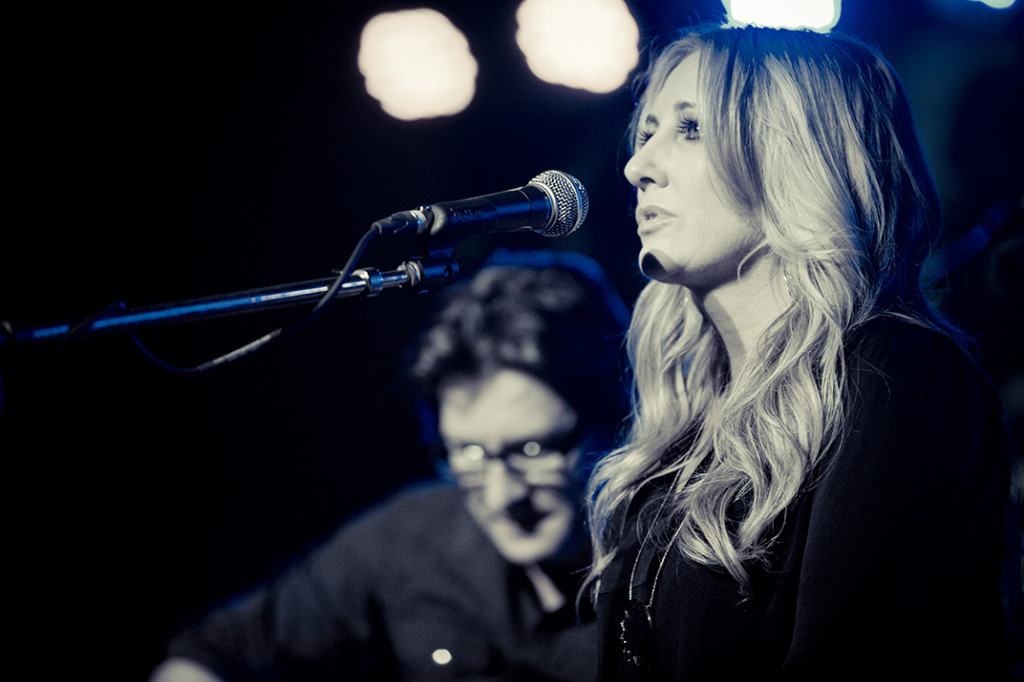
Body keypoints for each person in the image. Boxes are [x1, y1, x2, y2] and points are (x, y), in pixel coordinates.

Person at [584, 23, 1018, 680]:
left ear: (794, 154)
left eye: (691, 128)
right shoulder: (687, 427)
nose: (637, 166)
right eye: (646, 134)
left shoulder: (895, 375)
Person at [150, 249, 631, 681]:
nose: (502, 495)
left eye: (531, 451)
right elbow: (206, 657)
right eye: (468, 453)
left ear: (616, 420)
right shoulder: (410, 541)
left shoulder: (678, 566)